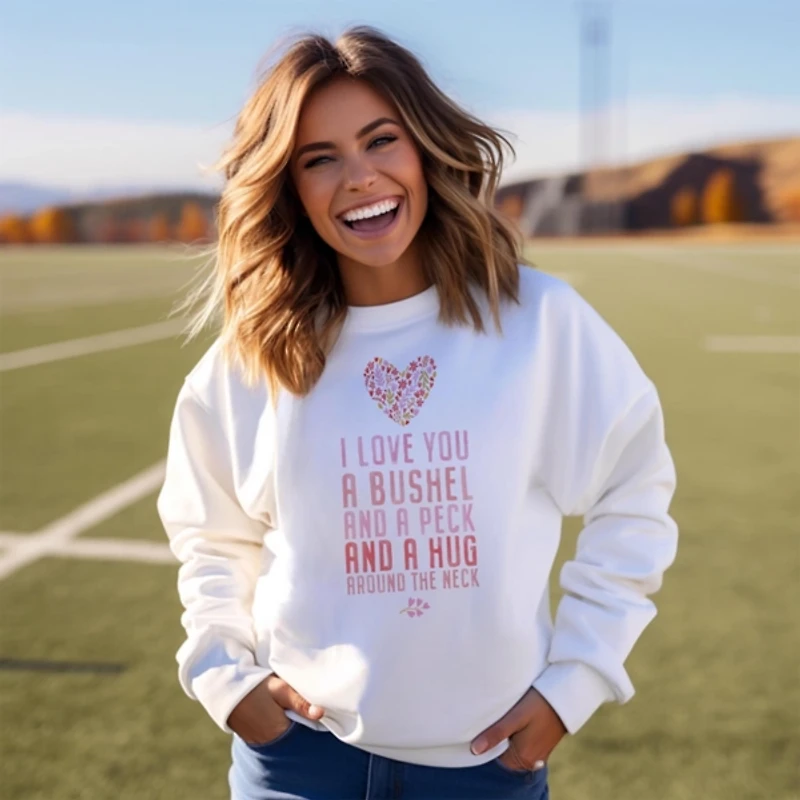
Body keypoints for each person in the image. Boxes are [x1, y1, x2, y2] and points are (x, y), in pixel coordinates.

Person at [156, 26, 679, 800]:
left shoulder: (536, 324)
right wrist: (226, 679)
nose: (359, 178)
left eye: (381, 141)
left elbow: (633, 492)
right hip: (297, 761)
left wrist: (576, 679)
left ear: (426, 150)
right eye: (319, 159)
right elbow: (210, 535)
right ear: (289, 187)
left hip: (483, 766)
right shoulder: (256, 353)